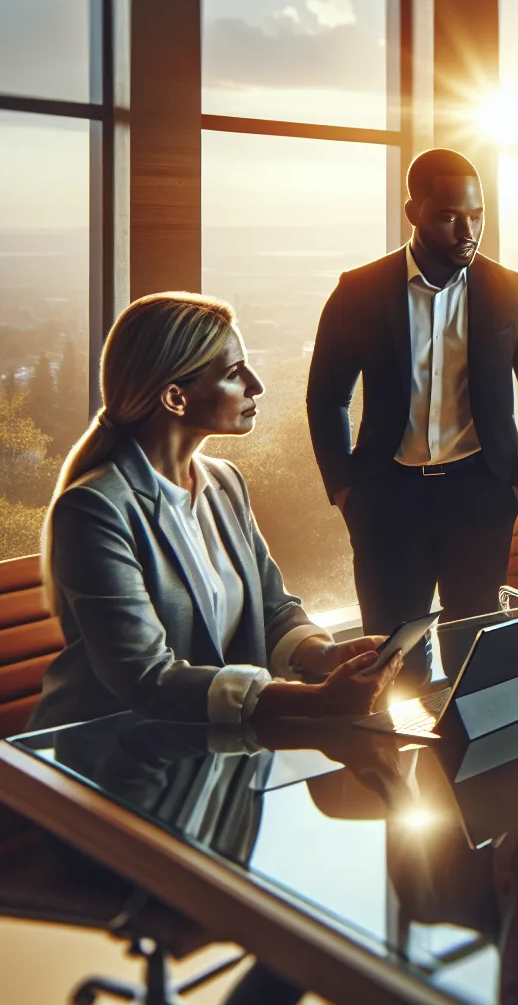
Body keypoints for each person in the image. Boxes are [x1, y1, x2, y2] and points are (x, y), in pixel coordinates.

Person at [30, 293, 402, 732]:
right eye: (233, 372)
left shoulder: (225, 482)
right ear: (175, 397)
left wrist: (327, 655)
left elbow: (273, 610)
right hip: (109, 747)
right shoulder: (94, 509)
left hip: (211, 743)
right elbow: (146, 677)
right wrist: (317, 701)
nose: (256, 384)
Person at [307, 148, 518, 685]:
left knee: (475, 659)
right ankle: (399, 744)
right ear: (413, 213)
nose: (468, 231)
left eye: (477, 215)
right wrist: (345, 490)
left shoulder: (512, 291)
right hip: (387, 497)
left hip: (480, 496)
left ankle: (464, 744)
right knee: (393, 662)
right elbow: (327, 397)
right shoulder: (359, 290)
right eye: (449, 216)